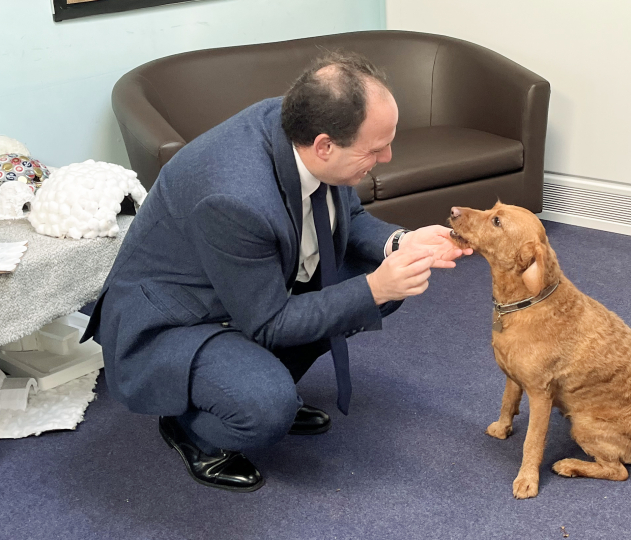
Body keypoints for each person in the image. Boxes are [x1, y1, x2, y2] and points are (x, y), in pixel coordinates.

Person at [81, 52, 472, 492]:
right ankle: (192, 428)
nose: (387, 156)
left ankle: (253, 378)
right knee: (268, 408)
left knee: (383, 278)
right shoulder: (236, 197)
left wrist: (402, 244)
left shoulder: (295, 124)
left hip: (246, 286)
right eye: (376, 149)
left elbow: (350, 216)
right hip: (175, 317)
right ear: (324, 145)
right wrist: (374, 288)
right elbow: (269, 322)